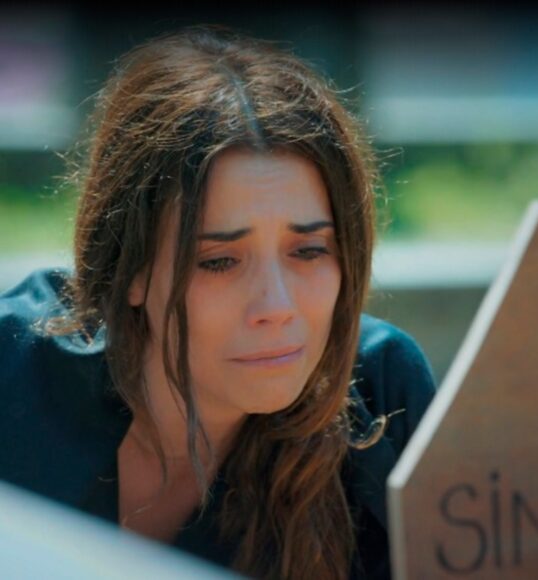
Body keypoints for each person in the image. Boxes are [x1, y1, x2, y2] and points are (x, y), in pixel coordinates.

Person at [0, 26, 436, 580]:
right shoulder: (13, 376)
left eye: (308, 251)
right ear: (129, 270)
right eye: (220, 261)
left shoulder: (380, 397)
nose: (276, 306)